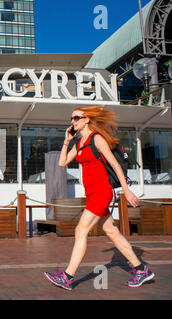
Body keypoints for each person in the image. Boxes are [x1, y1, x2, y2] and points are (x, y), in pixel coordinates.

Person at [43, 106, 155, 290]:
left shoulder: (97, 138)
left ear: (87, 120)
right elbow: (62, 162)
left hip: (102, 192)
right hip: (91, 194)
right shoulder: (79, 143)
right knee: (112, 232)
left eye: (77, 118)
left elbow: (115, 165)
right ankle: (141, 269)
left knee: (81, 230)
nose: (73, 121)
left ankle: (68, 277)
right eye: (72, 118)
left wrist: (125, 190)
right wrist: (66, 141)